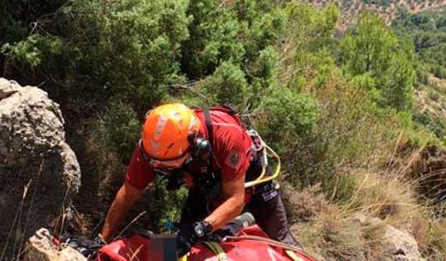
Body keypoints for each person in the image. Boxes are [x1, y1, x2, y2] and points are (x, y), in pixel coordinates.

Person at [97, 102, 300, 249]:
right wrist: (101, 240)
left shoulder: (227, 136)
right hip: (205, 184)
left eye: (170, 165)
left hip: (249, 181)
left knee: (281, 240)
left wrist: (200, 229)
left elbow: (235, 199)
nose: (163, 169)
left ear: (197, 145)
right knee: (181, 241)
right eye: (158, 165)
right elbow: (128, 194)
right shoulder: (152, 148)